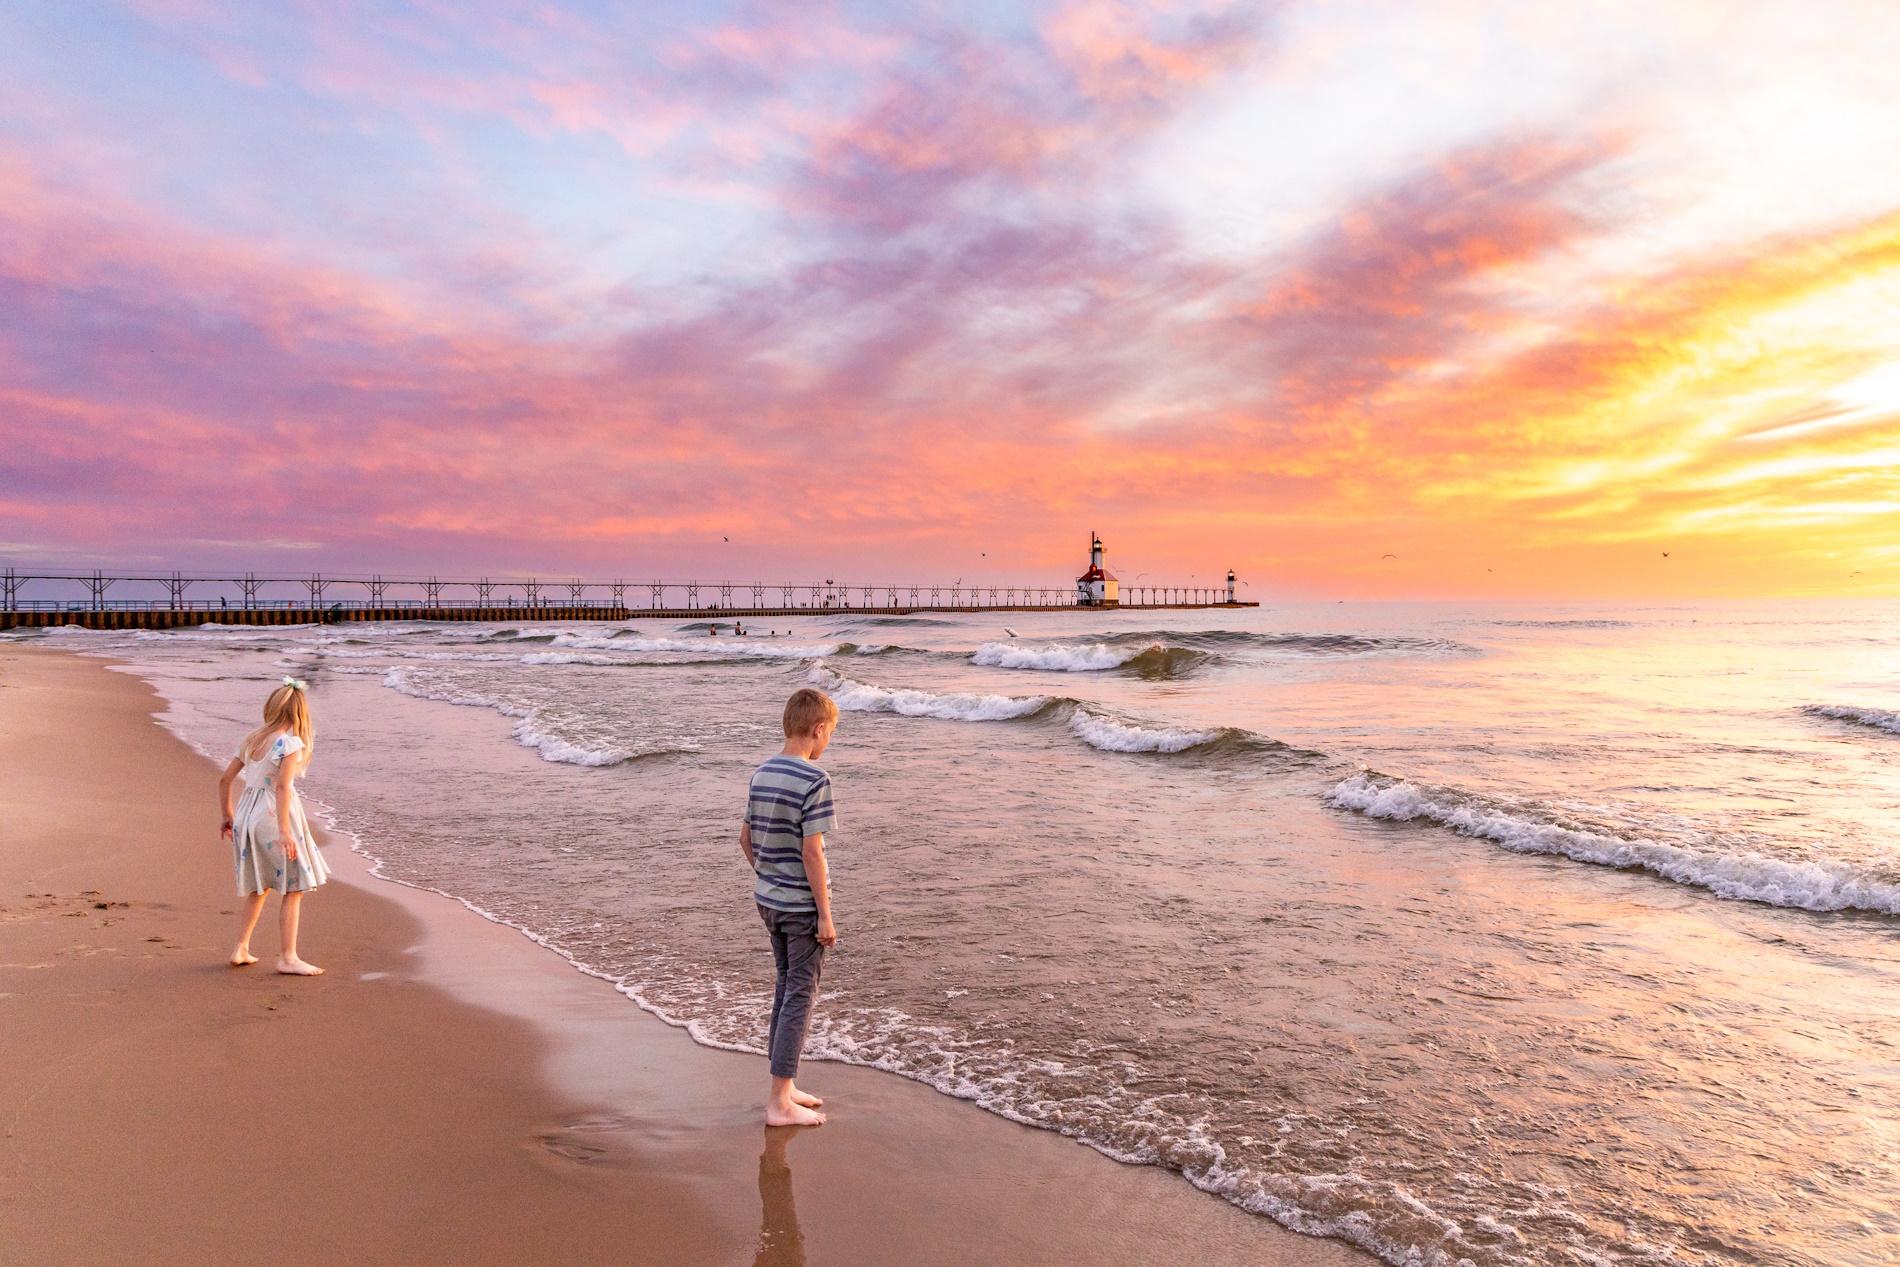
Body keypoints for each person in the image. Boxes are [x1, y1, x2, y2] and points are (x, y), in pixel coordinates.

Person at [738, 688, 839, 1126]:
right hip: (801, 907)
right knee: (800, 994)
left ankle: (786, 1084)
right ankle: (779, 1101)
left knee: (785, 987)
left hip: (769, 901)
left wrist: (769, 879)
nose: (827, 742)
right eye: (829, 734)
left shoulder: (762, 773)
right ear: (818, 730)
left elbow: (745, 839)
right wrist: (825, 914)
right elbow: (812, 852)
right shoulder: (815, 780)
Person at [217, 676, 329, 975]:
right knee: (294, 886)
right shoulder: (289, 744)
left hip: (246, 814)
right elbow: (282, 788)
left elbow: (225, 779)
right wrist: (283, 831)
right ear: (298, 714)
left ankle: (241, 947)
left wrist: (228, 815)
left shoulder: (252, 739)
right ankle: (288, 957)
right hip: (271, 816)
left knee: (261, 885)